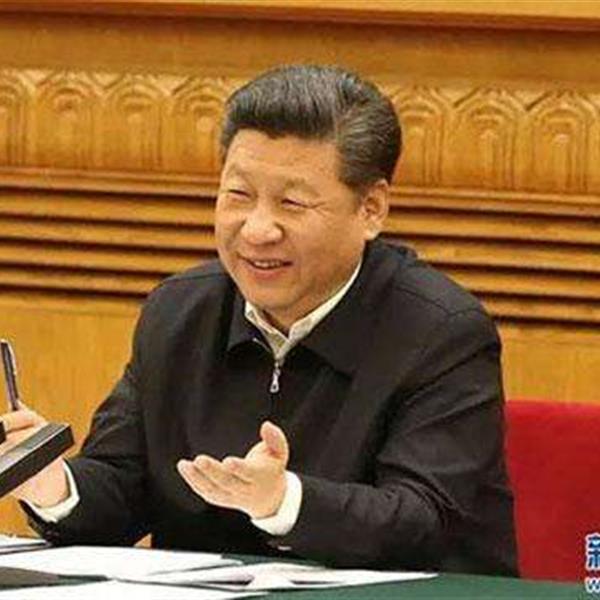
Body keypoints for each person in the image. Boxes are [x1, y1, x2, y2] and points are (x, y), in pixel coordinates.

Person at [1, 65, 517, 575]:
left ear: (371, 209)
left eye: (292, 203)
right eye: (238, 195)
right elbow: (122, 489)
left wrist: (283, 501)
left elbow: (422, 522)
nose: (257, 230)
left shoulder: (440, 332)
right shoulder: (180, 313)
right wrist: (51, 484)